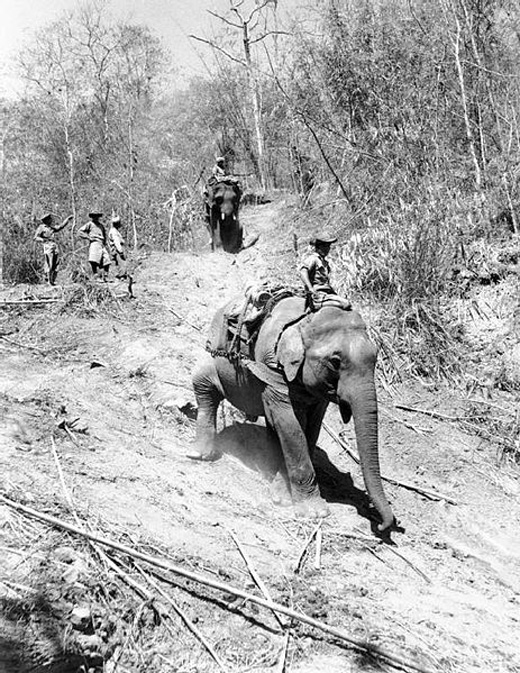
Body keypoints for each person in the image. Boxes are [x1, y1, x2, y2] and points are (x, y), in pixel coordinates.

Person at [299, 232, 351, 311]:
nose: (327, 249)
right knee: (345, 303)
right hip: (318, 294)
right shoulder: (313, 259)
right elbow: (303, 271)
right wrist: (310, 288)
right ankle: (315, 305)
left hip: (327, 293)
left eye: (328, 246)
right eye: (324, 246)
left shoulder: (324, 262)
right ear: (318, 247)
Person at [34, 212, 73, 285]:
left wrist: (67, 219)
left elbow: (61, 227)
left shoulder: (52, 227)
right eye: (49, 219)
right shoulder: (41, 227)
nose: (51, 220)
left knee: (56, 263)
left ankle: (53, 280)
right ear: (46, 220)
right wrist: (43, 240)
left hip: (54, 245)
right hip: (47, 245)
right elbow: (36, 237)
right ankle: (49, 280)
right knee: (49, 263)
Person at [78, 211, 111, 280]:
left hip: (101, 243)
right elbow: (80, 231)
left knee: (107, 260)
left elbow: (104, 235)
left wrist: (105, 243)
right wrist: (88, 237)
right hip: (94, 243)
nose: (96, 218)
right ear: (92, 217)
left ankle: (106, 276)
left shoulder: (101, 225)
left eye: (97, 216)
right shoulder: (90, 224)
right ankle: (96, 276)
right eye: (94, 216)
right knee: (94, 260)